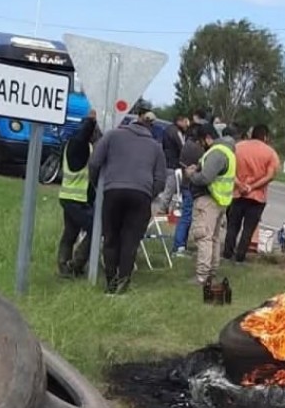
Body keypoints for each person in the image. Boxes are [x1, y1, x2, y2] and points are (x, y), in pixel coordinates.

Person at [89, 111, 167, 294]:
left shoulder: (112, 136)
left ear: (133, 122)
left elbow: (94, 163)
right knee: (130, 241)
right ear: (151, 127)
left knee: (110, 238)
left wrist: (98, 185)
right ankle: (123, 283)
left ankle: (110, 283)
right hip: (141, 195)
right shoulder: (156, 147)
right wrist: (148, 193)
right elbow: (161, 180)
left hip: (113, 191)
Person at [186, 123, 237, 287]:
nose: (200, 146)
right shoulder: (228, 152)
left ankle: (202, 276)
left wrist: (191, 174)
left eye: (201, 142)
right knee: (213, 238)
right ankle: (211, 272)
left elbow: (205, 178)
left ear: (208, 138)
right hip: (220, 201)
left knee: (204, 237)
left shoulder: (216, 153)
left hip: (208, 200)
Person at [223, 124, 280, 263]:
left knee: (232, 226)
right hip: (257, 197)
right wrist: (252, 187)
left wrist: (240, 185)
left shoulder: (237, 147)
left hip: (237, 194)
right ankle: (240, 257)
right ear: (265, 137)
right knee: (248, 229)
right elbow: (270, 175)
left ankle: (227, 253)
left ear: (251, 134)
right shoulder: (270, 153)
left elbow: (229, 169)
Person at [56, 111, 99, 278]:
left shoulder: (71, 145)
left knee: (70, 233)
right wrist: (91, 121)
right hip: (76, 199)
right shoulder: (78, 146)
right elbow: (83, 137)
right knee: (96, 229)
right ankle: (76, 264)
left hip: (69, 197)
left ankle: (64, 266)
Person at [172, 126, 206, 256]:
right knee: (186, 216)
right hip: (191, 185)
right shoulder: (198, 149)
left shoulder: (187, 145)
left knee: (186, 215)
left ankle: (181, 244)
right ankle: (179, 246)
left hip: (185, 184)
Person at [157, 115, 190, 215]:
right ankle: (162, 209)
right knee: (170, 188)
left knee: (169, 187)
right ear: (180, 121)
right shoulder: (176, 132)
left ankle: (164, 208)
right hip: (173, 164)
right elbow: (183, 146)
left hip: (167, 162)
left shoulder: (168, 129)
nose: (186, 124)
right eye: (185, 122)